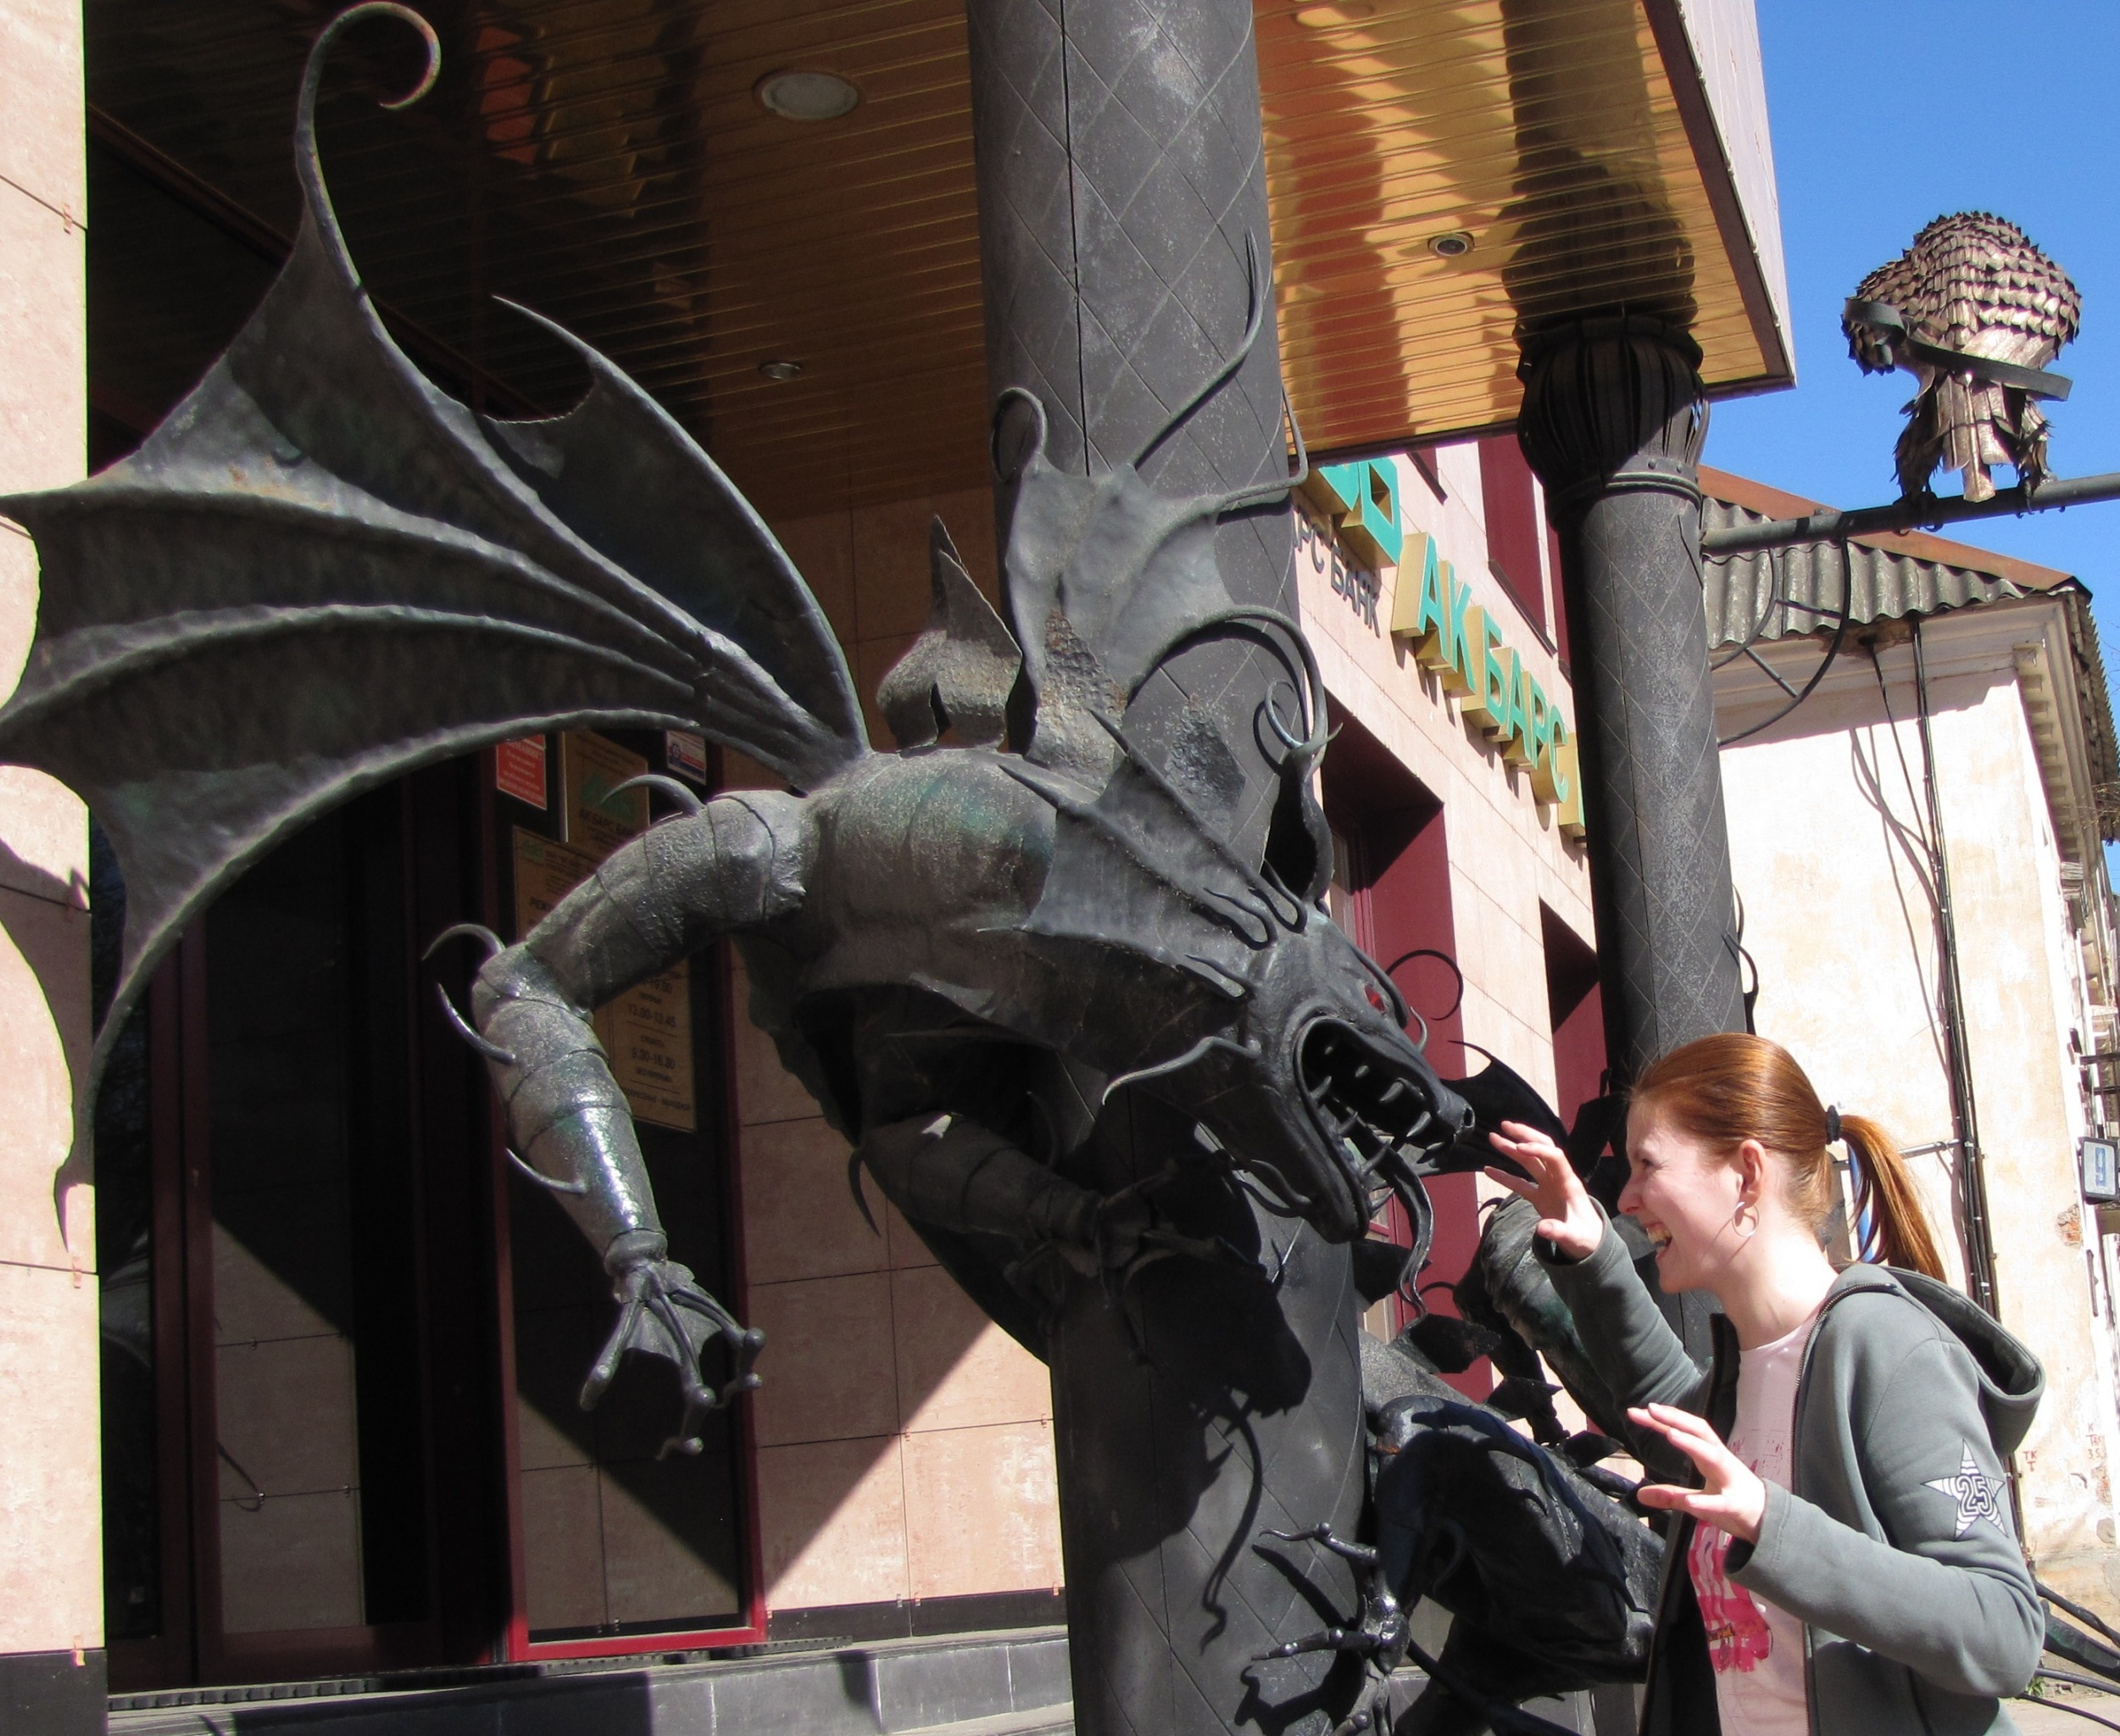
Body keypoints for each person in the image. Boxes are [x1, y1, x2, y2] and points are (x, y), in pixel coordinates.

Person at [1485, 1032, 2044, 1736]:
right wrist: (1590, 1252)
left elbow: (2005, 1634)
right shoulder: (1747, 1370)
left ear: (1746, 1174)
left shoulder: (1885, 1346)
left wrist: (1768, 1525)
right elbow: (1669, 1417)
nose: (1625, 1197)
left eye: (1646, 1165)